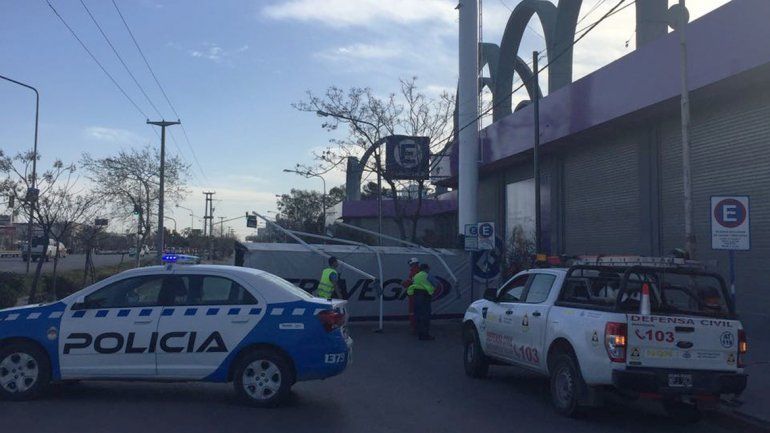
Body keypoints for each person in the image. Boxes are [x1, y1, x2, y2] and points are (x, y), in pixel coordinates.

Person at [408, 263, 437, 341]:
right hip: (425, 296)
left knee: (418, 314)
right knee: (426, 315)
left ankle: (419, 332)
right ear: (426, 269)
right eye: (428, 268)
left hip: (416, 296)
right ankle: (425, 334)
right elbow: (435, 284)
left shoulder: (416, 276)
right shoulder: (428, 275)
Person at [402, 258, 420, 334]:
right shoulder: (419, 272)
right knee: (416, 311)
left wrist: (404, 283)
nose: (410, 266)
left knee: (413, 311)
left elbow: (411, 282)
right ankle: (416, 326)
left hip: (414, 294)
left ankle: (415, 327)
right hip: (417, 294)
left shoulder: (414, 272)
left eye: (411, 264)